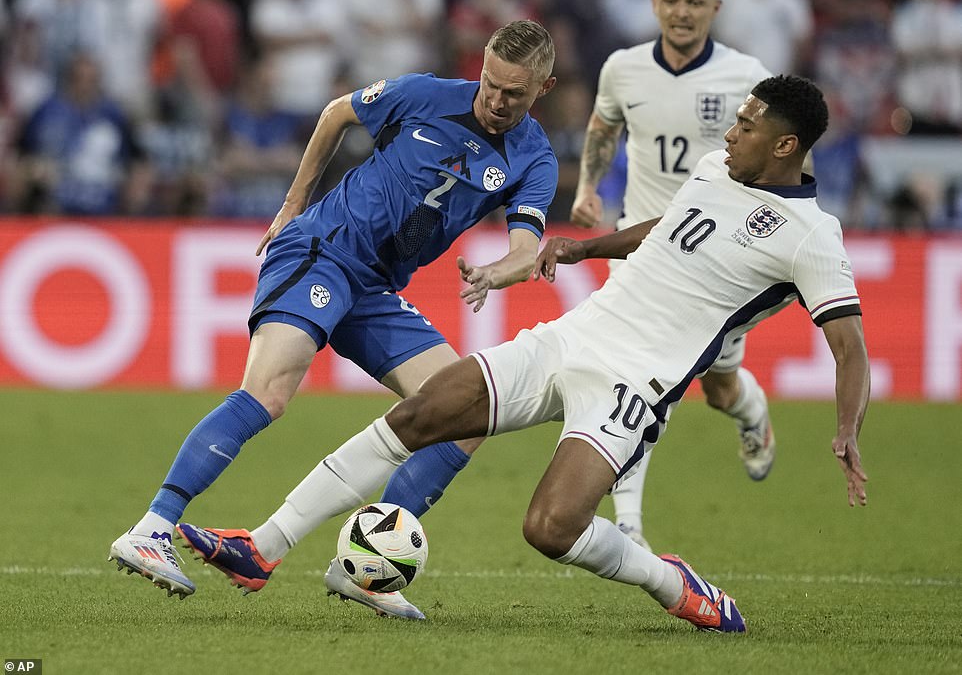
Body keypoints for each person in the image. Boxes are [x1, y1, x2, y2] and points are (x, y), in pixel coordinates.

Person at [176, 75, 870, 632]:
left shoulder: (811, 237)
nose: (732, 132)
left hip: (632, 383)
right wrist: (586, 247)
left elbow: (849, 346)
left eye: (748, 125)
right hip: (577, 333)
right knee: (424, 412)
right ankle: (262, 549)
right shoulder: (719, 168)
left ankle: (672, 583)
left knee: (550, 528)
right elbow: (673, 228)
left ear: (786, 146)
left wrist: (845, 430)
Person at [108, 20, 559, 616]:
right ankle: (152, 528)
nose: (497, 102)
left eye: (515, 94)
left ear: (544, 89)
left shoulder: (535, 156)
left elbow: (528, 247)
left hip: (375, 287)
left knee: (467, 413)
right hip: (324, 249)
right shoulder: (426, 94)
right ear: (481, 64)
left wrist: (502, 269)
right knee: (268, 391)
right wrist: (295, 203)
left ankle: (364, 571)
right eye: (491, 84)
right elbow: (336, 113)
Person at [381, 0, 775, 551]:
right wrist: (588, 189)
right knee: (637, 382)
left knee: (719, 387)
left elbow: (777, 157)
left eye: (695, 3)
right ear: (655, 5)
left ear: (714, 9)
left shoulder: (748, 75)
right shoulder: (623, 68)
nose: (682, 13)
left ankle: (751, 414)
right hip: (639, 251)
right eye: (671, 0)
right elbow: (601, 129)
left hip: (713, 260)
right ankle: (631, 526)